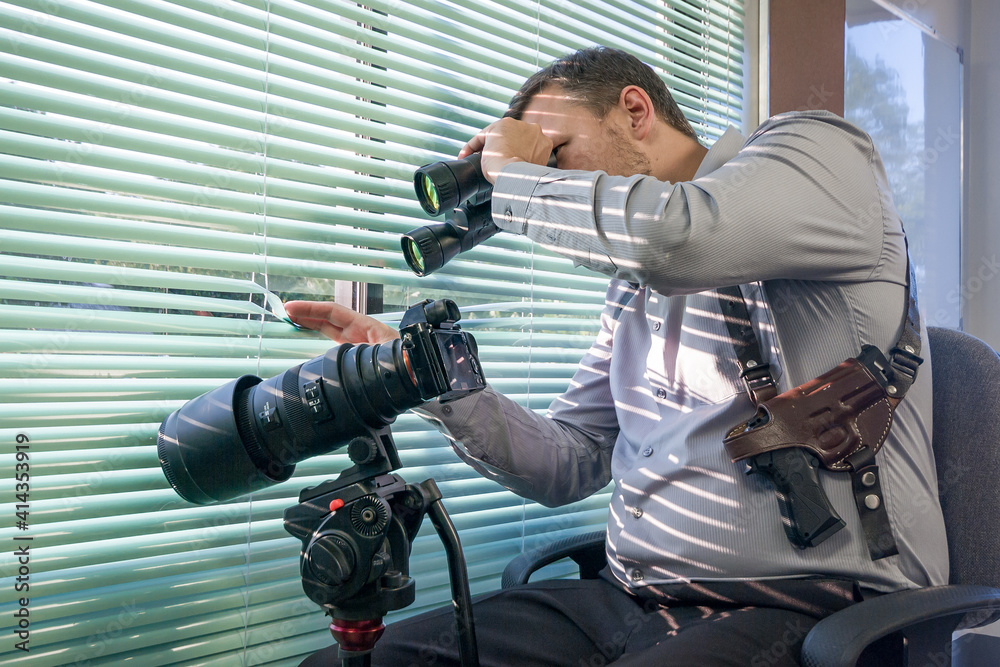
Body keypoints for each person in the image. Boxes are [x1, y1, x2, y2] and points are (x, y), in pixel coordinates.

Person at [290, 46, 948, 666]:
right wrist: (420, 377)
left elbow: (679, 237)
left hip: (811, 602)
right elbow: (568, 460)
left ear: (636, 111)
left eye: (556, 151)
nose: (551, 178)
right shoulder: (632, 287)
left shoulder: (821, 152)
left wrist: (513, 177)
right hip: (628, 597)